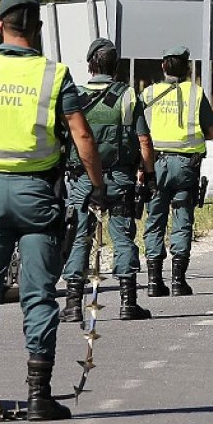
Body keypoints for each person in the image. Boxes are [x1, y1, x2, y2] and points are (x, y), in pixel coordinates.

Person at [0, 0, 108, 424]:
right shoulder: (55, 75)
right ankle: (38, 397)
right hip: (37, 196)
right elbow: (82, 136)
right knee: (38, 296)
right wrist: (98, 187)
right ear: (38, 29)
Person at [60, 38, 154, 322]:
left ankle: (74, 306)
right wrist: (148, 175)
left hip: (82, 181)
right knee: (122, 236)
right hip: (119, 179)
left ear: (90, 64)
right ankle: (128, 303)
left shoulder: (73, 95)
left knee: (79, 238)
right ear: (116, 65)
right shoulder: (127, 96)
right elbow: (145, 142)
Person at [140, 46, 213, 297]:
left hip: (156, 165)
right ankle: (178, 281)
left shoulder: (148, 93)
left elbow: (139, 133)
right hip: (186, 167)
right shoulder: (196, 93)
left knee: (155, 220)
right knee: (182, 219)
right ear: (186, 69)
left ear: (163, 66)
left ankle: (153, 282)